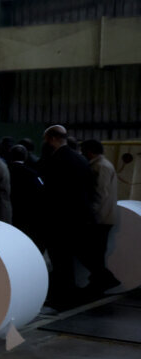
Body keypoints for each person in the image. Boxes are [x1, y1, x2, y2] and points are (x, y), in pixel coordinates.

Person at [40, 125, 109, 306]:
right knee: (70, 256)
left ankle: (63, 295)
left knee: (60, 258)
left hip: (60, 218)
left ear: (51, 139)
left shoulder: (56, 160)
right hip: (80, 216)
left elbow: (52, 192)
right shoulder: (81, 159)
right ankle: (72, 291)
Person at [82, 139, 122, 294]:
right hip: (104, 216)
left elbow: (100, 193)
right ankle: (99, 282)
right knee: (97, 252)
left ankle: (104, 280)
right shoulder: (103, 164)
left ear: (90, 151)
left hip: (100, 217)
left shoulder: (100, 166)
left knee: (94, 252)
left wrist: (90, 212)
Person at [7, 144, 48, 251]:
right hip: (27, 211)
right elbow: (41, 190)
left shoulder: (6, 171)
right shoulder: (32, 174)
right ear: (25, 157)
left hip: (9, 209)